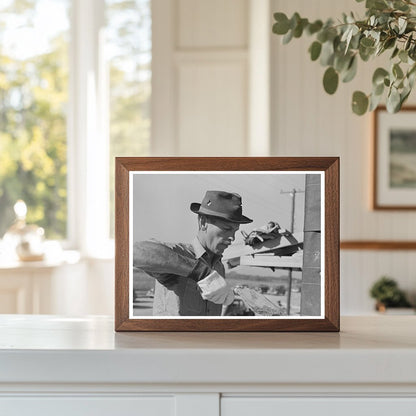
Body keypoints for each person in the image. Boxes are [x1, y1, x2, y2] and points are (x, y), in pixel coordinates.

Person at [133, 190, 253, 316]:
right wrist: (201, 272)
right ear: (203, 222)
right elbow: (136, 252)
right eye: (227, 229)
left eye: (235, 231)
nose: (232, 238)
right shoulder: (180, 254)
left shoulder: (218, 267)